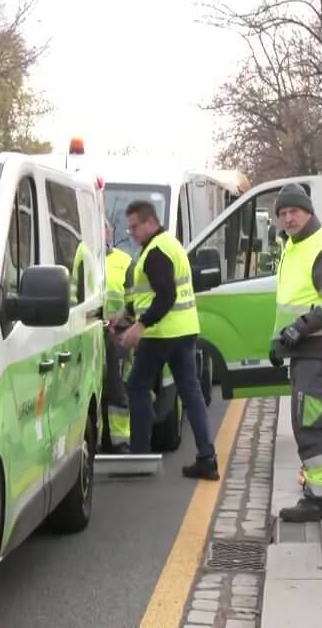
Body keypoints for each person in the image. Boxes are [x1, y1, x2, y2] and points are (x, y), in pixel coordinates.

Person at [268, 184, 322, 521]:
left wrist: (299, 328)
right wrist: (281, 340)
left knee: (314, 426)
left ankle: (321, 499)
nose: (288, 218)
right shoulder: (295, 246)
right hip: (311, 352)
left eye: (294, 211)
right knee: (321, 422)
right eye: (283, 213)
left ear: (309, 211)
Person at [119, 200, 219, 480]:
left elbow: (166, 296)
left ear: (150, 222)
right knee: (191, 393)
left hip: (161, 334)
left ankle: (140, 455)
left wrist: (140, 325)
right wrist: (125, 312)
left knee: (136, 385)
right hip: (185, 330)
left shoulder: (155, 252)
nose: (132, 233)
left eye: (135, 226)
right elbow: (152, 294)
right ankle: (207, 458)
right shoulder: (170, 244)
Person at [103, 220, 134, 452]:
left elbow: (134, 303)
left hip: (118, 337)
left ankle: (120, 440)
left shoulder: (125, 262)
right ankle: (98, 441)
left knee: (117, 389)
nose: (105, 233)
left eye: (107, 228)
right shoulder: (83, 257)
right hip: (89, 334)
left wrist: (120, 323)